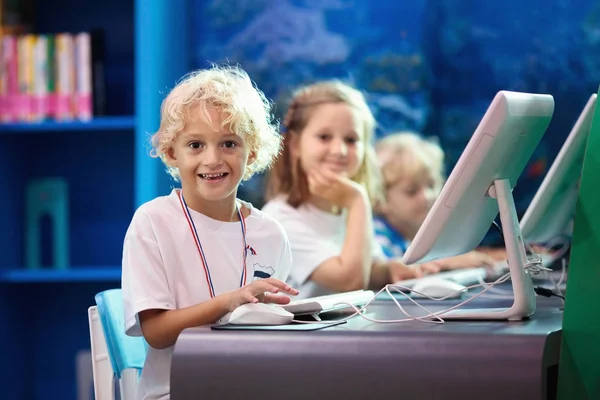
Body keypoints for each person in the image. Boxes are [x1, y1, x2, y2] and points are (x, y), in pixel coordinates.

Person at [121, 65, 298, 400]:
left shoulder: (271, 233)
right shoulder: (152, 223)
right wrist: (229, 301)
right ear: (172, 152)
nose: (213, 159)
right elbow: (156, 333)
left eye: (229, 143)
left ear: (253, 151)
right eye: (196, 145)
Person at [262, 80, 439, 300]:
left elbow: (367, 270)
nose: (340, 150)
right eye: (324, 137)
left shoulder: (345, 208)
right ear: (296, 145)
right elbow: (351, 281)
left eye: (352, 139)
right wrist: (357, 201)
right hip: (301, 334)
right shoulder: (280, 220)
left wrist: (388, 269)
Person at [374, 131, 506, 268]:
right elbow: (388, 272)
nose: (427, 196)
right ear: (380, 199)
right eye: (411, 191)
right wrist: (446, 263)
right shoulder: (378, 236)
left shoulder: (420, 232)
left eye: (431, 185)